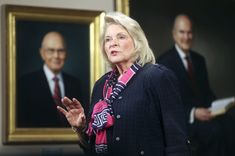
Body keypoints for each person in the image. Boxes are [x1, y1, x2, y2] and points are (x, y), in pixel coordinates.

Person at [57, 12, 190, 156]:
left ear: (137, 42)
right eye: (108, 39)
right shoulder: (100, 85)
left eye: (121, 37)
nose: (113, 43)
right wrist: (81, 128)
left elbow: (177, 143)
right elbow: (92, 147)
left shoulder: (157, 76)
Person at [157, 14, 224, 156]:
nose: (186, 37)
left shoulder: (199, 60)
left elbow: (206, 92)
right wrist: (193, 112)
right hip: (183, 121)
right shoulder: (163, 63)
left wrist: (218, 106)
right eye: (182, 32)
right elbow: (166, 103)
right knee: (214, 132)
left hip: (206, 115)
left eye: (189, 32)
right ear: (174, 34)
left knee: (228, 123)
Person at [17, 31, 82, 128]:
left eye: (61, 50)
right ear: (42, 53)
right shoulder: (25, 83)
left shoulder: (76, 84)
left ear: (66, 53)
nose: (56, 56)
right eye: (51, 51)